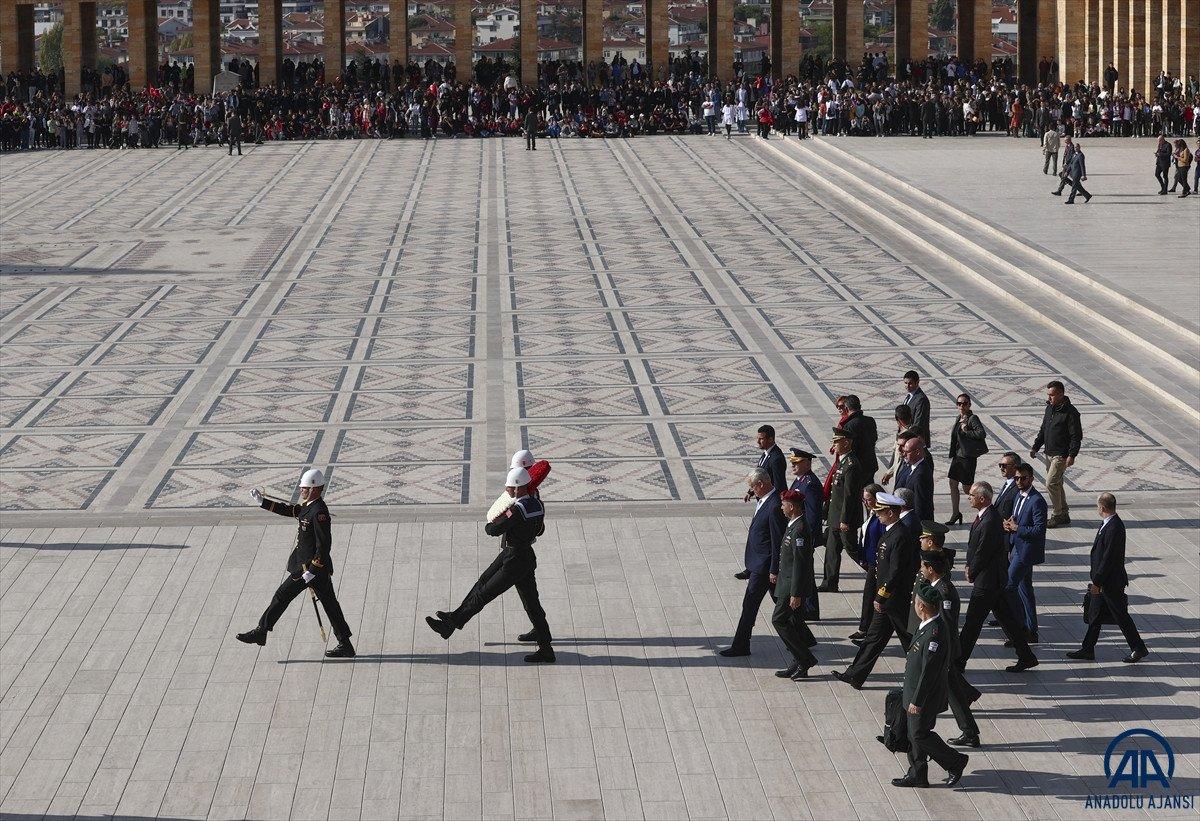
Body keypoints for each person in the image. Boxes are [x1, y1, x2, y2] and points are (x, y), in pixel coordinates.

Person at [426, 467, 555, 663]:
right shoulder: (537, 503)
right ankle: (545, 646)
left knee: (483, 593)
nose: (507, 489)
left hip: (514, 561)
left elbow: (494, 529)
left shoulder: (518, 509)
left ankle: (449, 626)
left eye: (510, 487)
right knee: (527, 602)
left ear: (519, 488)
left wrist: (492, 523)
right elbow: (540, 531)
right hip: (524, 556)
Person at [237, 468, 356, 658]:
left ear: (315, 489)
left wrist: (312, 570)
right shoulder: (309, 505)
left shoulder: (319, 513)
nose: (301, 490)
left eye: (304, 488)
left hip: (309, 569)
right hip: (311, 569)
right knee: (330, 605)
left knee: (282, 595)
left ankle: (261, 631)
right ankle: (345, 645)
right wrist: (263, 502)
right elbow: (290, 510)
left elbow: (324, 545)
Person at [833, 492, 919, 689]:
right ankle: (855, 674)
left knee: (912, 642)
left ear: (890, 512)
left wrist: (881, 595)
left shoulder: (900, 535)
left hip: (894, 600)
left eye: (880, 511)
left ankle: (939, 677)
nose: (877, 514)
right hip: (888, 602)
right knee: (873, 639)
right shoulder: (892, 531)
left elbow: (896, 571)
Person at [890, 582, 969, 788]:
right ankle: (918, 773)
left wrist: (917, 700)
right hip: (913, 691)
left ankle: (955, 761)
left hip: (923, 697)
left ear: (921, 606)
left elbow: (929, 672)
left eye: (915, 602)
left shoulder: (934, 634)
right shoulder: (925, 626)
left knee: (919, 734)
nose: (914, 605)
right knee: (913, 734)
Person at [957, 482, 1039, 673]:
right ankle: (1027, 656)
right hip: (993, 580)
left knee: (972, 624)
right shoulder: (985, 517)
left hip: (987, 581)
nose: (969, 497)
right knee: (1007, 620)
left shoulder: (990, 519)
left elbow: (982, 551)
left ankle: (958, 663)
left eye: (971, 495)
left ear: (982, 498)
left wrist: (972, 570)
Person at [1066, 494, 1149, 663]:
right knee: (1095, 616)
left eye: (1098, 507)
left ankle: (1138, 648)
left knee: (1121, 616)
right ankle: (1088, 649)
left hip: (1109, 583)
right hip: (1103, 581)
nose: (1097, 509)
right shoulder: (1108, 524)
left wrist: (1097, 581)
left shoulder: (1114, 527)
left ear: (1102, 508)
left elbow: (1109, 558)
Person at [721, 468, 783, 657]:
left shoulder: (773, 506)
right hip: (758, 564)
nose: (751, 491)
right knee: (782, 604)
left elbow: (776, 540)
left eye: (752, 487)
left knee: (749, 605)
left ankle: (741, 645)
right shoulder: (764, 499)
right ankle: (805, 638)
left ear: (761, 485)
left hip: (764, 567)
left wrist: (773, 569)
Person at [771, 489, 818, 680]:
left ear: (791, 507)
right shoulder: (793, 524)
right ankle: (799, 663)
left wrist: (796, 593)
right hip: (788, 583)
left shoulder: (799, 529)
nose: (781, 507)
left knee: (779, 620)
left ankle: (805, 658)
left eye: (784, 504)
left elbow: (800, 563)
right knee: (795, 623)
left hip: (791, 587)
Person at [1002, 463, 1047, 643]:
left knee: (1009, 587)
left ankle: (1019, 627)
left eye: (1023, 478)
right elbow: (1017, 519)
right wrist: (1010, 525)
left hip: (1026, 551)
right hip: (1016, 548)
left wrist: (1017, 528)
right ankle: (1031, 630)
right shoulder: (1018, 496)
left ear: (1031, 479)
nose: (1019, 481)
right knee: (1025, 589)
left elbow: (1038, 530)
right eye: (1016, 478)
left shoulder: (1037, 501)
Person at [736, 425, 787, 579]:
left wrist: (774, 504)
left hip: (769, 504)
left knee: (765, 536)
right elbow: (761, 476)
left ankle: (761, 567)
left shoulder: (776, 458)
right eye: (757, 438)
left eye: (761, 438)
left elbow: (779, 484)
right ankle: (751, 566)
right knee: (756, 533)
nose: (758, 441)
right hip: (763, 501)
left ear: (771, 439)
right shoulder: (766, 454)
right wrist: (751, 491)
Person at [1030, 380, 1083, 527]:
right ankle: (1064, 513)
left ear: (1061, 394)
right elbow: (1043, 429)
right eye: (1048, 395)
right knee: (1057, 483)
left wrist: (1072, 455)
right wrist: (1035, 447)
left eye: (1052, 395)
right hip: (1049, 452)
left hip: (1061, 454)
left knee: (1051, 483)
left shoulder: (1071, 413)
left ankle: (1057, 514)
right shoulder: (1049, 409)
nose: (1049, 398)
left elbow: (1076, 436)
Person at [819, 428, 864, 593]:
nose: (833, 445)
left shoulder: (851, 465)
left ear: (846, 442)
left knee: (852, 549)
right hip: (835, 516)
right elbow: (834, 493)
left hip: (845, 519)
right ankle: (829, 583)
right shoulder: (842, 462)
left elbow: (850, 496)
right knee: (831, 551)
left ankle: (875, 570)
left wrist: (845, 520)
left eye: (836, 442)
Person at [787, 448, 823, 621]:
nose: (792, 465)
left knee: (806, 572)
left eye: (797, 462)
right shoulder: (799, 481)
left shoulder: (810, 483)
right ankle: (809, 607)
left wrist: (809, 537)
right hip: (798, 531)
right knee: (804, 571)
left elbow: (814, 514)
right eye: (792, 462)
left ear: (807, 464)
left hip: (804, 535)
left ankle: (810, 608)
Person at [945, 393, 988, 526]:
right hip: (958, 457)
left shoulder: (972, 418)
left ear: (969, 405)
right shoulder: (960, 417)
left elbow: (982, 433)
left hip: (967, 458)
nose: (961, 406)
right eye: (959, 403)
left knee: (967, 488)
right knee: (952, 483)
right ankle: (955, 513)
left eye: (964, 403)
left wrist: (966, 431)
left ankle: (984, 509)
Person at [853, 483, 886, 641]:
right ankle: (866, 629)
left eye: (869, 499)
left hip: (877, 563)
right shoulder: (871, 513)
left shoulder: (881, 518)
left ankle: (865, 630)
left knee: (870, 595)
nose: (866, 502)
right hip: (870, 560)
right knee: (870, 596)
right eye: (864, 499)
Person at [894, 436, 934, 522]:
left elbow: (920, 504)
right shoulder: (909, 466)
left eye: (907, 452)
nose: (904, 454)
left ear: (918, 452)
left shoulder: (921, 474)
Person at [880, 404, 917, 485]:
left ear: (898, 420)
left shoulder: (904, 438)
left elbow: (900, 460)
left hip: (902, 475)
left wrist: (889, 473)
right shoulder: (913, 432)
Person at [902, 370, 931, 445]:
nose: (907, 386)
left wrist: (907, 438)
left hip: (916, 441)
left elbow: (918, 423)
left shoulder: (921, 399)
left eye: (910, 383)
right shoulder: (909, 396)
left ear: (917, 382)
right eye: (905, 383)